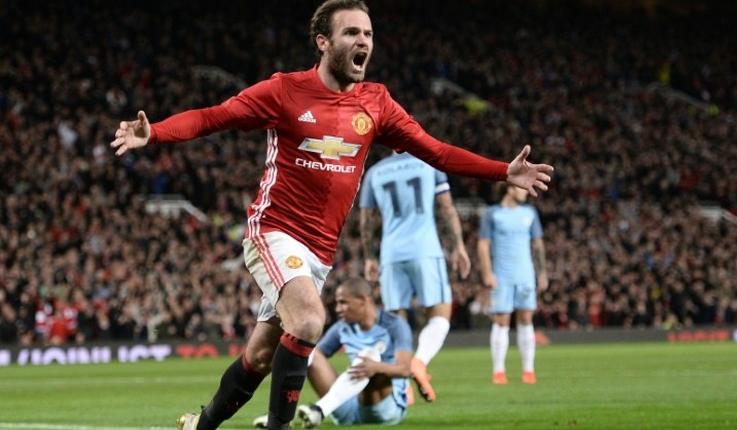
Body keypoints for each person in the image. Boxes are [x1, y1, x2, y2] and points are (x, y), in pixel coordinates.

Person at [110, 0, 553, 428]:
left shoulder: (376, 104)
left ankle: (199, 426)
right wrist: (157, 133)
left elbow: (436, 151)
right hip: (275, 229)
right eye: (352, 33)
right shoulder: (284, 91)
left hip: (320, 251)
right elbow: (214, 117)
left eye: (368, 33)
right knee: (308, 320)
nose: (364, 41)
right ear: (323, 42)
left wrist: (502, 172)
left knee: (261, 357)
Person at [358, 151, 471, 402]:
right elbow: (446, 207)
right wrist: (459, 246)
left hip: (391, 254)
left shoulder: (375, 172)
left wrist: (369, 257)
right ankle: (419, 363)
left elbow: (367, 221)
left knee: (396, 322)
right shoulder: (429, 164)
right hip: (425, 250)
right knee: (440, 316)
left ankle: (401, 387)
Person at [254, 278, 413, 428]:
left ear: (364, 300)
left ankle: (320, 409)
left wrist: (376, 367)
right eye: (337, 303)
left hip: (384, 408)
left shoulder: (395, 325)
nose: (338, 309)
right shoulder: (342, 327)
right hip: (348, 406)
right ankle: (279, 416)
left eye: (343, 303)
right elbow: (310, 359)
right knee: (306, 351)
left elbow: (405, 370)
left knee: (369, 355)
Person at [477, 184, 548, 385]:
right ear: (510, 189)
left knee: (526, 320)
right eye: (522, 188)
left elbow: (538, 243)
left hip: (525, 275)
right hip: (502, 276)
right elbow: (483, 245)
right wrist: (487, 273)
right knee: (501, 322)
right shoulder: (492, 213)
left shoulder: (530, 213)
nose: (526, 191)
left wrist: (542, 272)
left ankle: (529, 370)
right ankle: (498, 371)